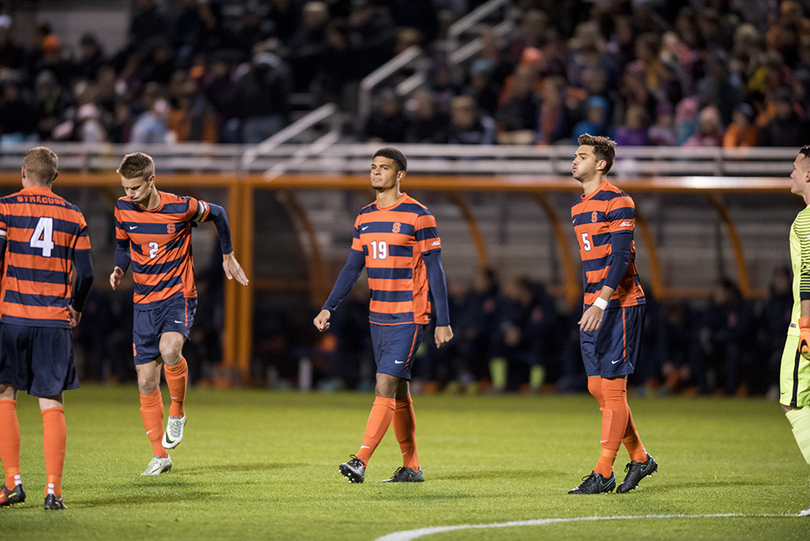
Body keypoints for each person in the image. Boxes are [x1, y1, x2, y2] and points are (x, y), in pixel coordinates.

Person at [313, 147, 453, 483]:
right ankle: (412, 467)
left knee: (384, 383)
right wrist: (328, 306)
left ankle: (360, 460)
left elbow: (436, 271)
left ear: (400, 174)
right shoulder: (364, 217)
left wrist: (443, 320)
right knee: (399, 391)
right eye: (373, 167)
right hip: (378, 316)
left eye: (384, 167)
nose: (376, 172)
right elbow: (352, 267)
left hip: (409, 314)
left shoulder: (419, 215)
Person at [109, 152, 248, 475]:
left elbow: (219, 213)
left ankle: (178, 410)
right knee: (145, 381)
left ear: (151, 180)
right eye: (125, 188)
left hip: (177, 295)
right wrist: (119, 267)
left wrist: (227, 254)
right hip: (143, 302)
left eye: (135, 188)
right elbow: (122, 245)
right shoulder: (122, 208)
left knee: (170, 349)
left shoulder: (180, 207)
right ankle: (161, 455)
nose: (129, 194)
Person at [0, 147, 93, 510]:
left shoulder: (6, 207)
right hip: (54, 321)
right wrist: (77, 308)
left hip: (12, 318)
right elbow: (85, 273)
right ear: (55, 177)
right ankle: (52, 492)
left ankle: (12, 484)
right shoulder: (74, 214)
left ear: (24, 172)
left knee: (6, 395)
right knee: (51, 403)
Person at [568, 134, 657, 495]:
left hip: (619, 304)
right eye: (576, 155)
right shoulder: (577, 207)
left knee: (614, 390)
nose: (575, 161)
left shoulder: (619, 200)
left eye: (582, 156)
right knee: (596, 387)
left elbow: (620, 259)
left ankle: (603, 472)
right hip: (595, 304)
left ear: (601, 163)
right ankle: (640, 457)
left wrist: (601, 303)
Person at [781, 145, 810, 517]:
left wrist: (805, 325)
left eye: (795, 168)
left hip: (803, 324)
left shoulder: (806, 219)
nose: (790, 174)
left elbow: (808, 276)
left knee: (793, 401)